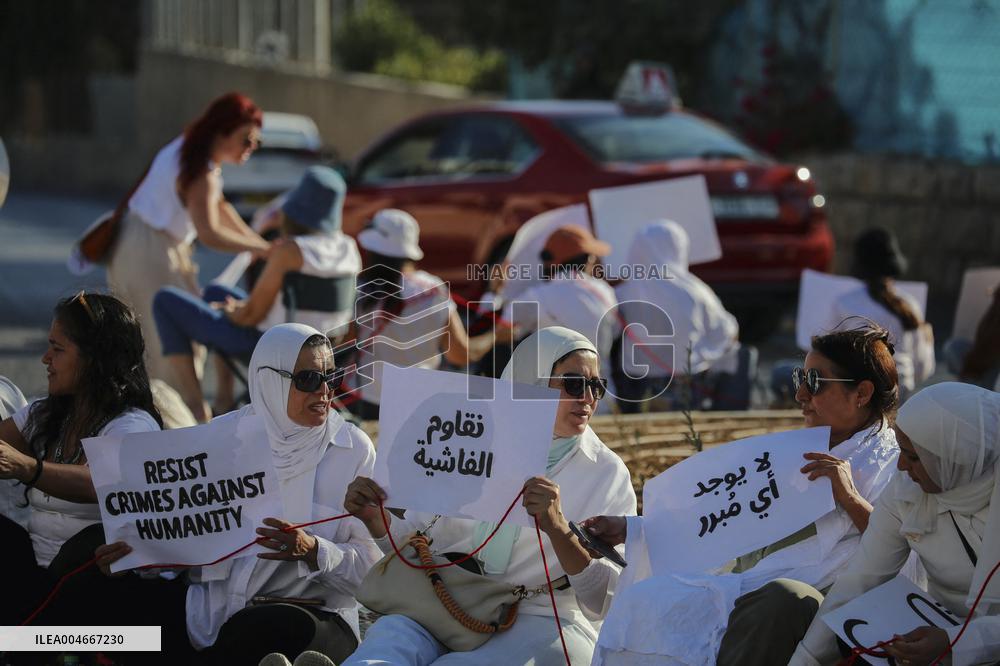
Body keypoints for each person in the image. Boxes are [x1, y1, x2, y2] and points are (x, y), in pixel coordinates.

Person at [586, 323, 904, 666]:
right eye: (800, 380)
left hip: (825, 612)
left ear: (862, 393)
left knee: (781, 599)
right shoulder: (797, 450)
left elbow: (902, 551)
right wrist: (633, 528)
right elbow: (720, 514)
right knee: (646, 602)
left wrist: (850, 498)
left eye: (814, 383)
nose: (800, 396)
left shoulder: (897, 465)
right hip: (747, 585)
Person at [342, 326, 637, 664]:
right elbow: (419, 550)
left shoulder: (605, 472)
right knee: (383, 650)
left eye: (596, 386)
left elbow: (606, 600)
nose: (588, 398)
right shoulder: (468, 436)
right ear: (531, 383)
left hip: (543, 616)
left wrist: (559, 530)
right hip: (443, 600)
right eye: (574, 384)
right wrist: (374, 519)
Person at [95, 324, 381, 664]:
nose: (324, 391)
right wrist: (138, 555)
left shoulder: (350, 450)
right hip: (207, 617)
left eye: (331, 378)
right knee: (102, 598)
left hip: (308, 615)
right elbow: (185, 542)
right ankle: (25, 647)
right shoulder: (222, 437)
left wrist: (313, 551)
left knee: (268, 630)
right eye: (307, 379)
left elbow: (372, 574)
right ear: (267, 380)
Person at [790, 382, 1000, 666]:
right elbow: (859, 581)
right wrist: (806, 661)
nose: (901, 466)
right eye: (901, 451)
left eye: (914, 456)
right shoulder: (906, 492)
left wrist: (955, 642)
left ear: (957, 457)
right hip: (937, 631)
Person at [0, 293, 163, 626]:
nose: (46, 358)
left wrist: (27, 467)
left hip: (97, 590)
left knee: (90, 544)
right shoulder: (45, 413)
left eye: (58, 349)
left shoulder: (133, 425)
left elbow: (99, 482)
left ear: (96, 359)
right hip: (37, 578)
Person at [152, 167, 361, 422]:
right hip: (325, 347)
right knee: (216, 291)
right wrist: (239, 308)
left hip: (273, 347)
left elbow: (251, 315)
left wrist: (231, 311)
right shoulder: (349, 249)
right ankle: (224, 399)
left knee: (165, 301)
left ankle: (197, 409)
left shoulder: (292, 251)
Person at [107, 92, 272, 382]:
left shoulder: (192, 151)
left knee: (152, 344)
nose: (251, 148)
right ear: (223, 131)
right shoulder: (201, 171)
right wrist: (262, 249)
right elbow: (209, 232)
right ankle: (176, 421)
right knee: (169, 351)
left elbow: (221, 208)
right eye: (246, 139)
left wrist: (259, 245)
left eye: (256, 142)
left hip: (142, 245)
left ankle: (175, 417)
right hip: (152, 252)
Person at [343, 208, 490, 421]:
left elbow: (344, 343)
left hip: (362, 401)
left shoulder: (357, 291)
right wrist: (494, 337)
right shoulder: (434, 289)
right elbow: (460, 354)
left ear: (370, 248)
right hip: (418, 404)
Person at [613, 220, 756, 412]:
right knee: (743, 354)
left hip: (634, 385)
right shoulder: (695, 290)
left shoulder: (623, 293)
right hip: (688, 383)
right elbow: (727, 334)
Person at [828, 227, 935, 396]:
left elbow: (830, 358)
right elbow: (923, 370)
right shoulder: (910, 305)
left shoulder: (844, 303)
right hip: (900, 393)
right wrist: (928, 340)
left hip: (859, 394)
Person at [944, 281, 1000, 390]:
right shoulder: (996, 304)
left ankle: (977, 391)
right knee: (954, 347)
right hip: (983, 357)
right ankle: (974, 388)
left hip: (991, 364)